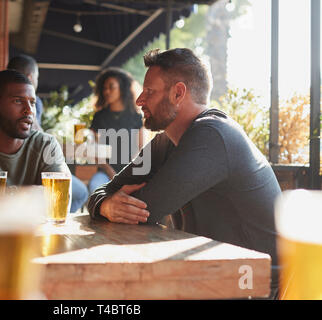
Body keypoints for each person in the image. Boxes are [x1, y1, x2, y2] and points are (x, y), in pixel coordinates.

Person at [87, 48, 281, 298]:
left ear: (178, 93)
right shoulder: (167, 141)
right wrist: (106, 206)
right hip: (208, 274)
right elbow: (105, 191)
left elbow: (145, 210)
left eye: (150, 92)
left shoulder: (212, 135)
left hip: (253, 286)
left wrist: (116, 204)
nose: (139, 100)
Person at [0, 55, 89, 212]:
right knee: (81, 192)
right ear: (30, 77)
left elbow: (59, 193)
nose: (29, 110)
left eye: (32, 103)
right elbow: (33, 130)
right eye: (18, 101)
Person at [88, 68, 144, 193]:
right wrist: (111, 173)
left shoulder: (136, 117)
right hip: (105, 173)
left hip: (131, 174)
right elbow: (95, 151)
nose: (107, 91)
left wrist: (126, 174)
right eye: (104, 88)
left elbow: (140, 150)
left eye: (111, 87)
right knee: (94, 188)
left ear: (122, 89)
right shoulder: (99, 117)